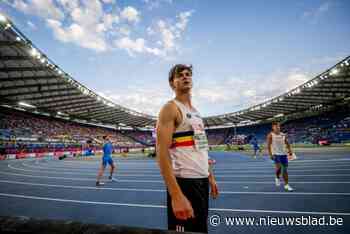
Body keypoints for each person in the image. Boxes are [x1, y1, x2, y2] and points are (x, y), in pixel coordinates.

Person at [157, 64, 219, 233]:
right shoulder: (170, 108)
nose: (185, 76)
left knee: (200, 229)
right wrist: (176, 195)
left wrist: (210, 176)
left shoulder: (197, 113)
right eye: (180, 75)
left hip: (202, 181)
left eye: (188, 74)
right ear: (172, 83)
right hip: (184, 183)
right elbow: (162, 154)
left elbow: (202, 148)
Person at [267, 122, 294, 191]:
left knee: (284, 169)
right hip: (276, 154)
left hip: (284, 154)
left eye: (278, 126)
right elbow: (268, 146)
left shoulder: (283, 134)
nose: (277, 127)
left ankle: (286, 185)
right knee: (279, 169)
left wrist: (290, 150)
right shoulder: (270, 135)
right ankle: (277, 177)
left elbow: (287, 143)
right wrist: (270, 155)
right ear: (273, 127)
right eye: (276, 126)